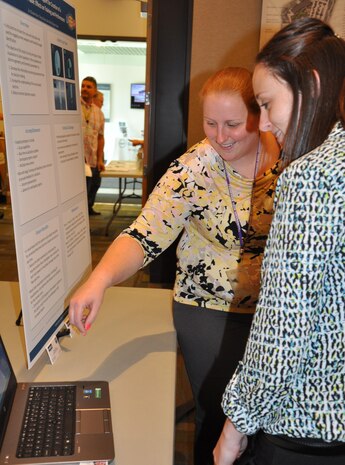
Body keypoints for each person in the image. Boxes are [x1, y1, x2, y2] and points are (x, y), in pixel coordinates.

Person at [69, 67, 281, 465]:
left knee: (270, 423)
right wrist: (100, 280)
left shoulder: (292, 156)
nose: (220, 136)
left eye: (233, 124)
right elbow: (144, 234)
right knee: (220, 417)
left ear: (261, 116)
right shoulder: (195, 168)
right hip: (208, 306)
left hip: (278, 310)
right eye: (210, 123)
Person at [214, 18, 345, 465]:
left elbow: (283, 328)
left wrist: (235, 425)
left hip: (307, 421)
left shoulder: (312, 175)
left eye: (268, 104)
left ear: (311, 82)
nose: (264, 124)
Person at [81, 76, 105, 216]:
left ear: (94, 90)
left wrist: (100, 159)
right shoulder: (73, 107)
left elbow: (100, 137)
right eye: (83, 86)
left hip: (92, 159)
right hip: (75, 159)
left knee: (91, 186)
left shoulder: (98, 113)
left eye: (89, 86)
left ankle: (87, 210)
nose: (84, 88)